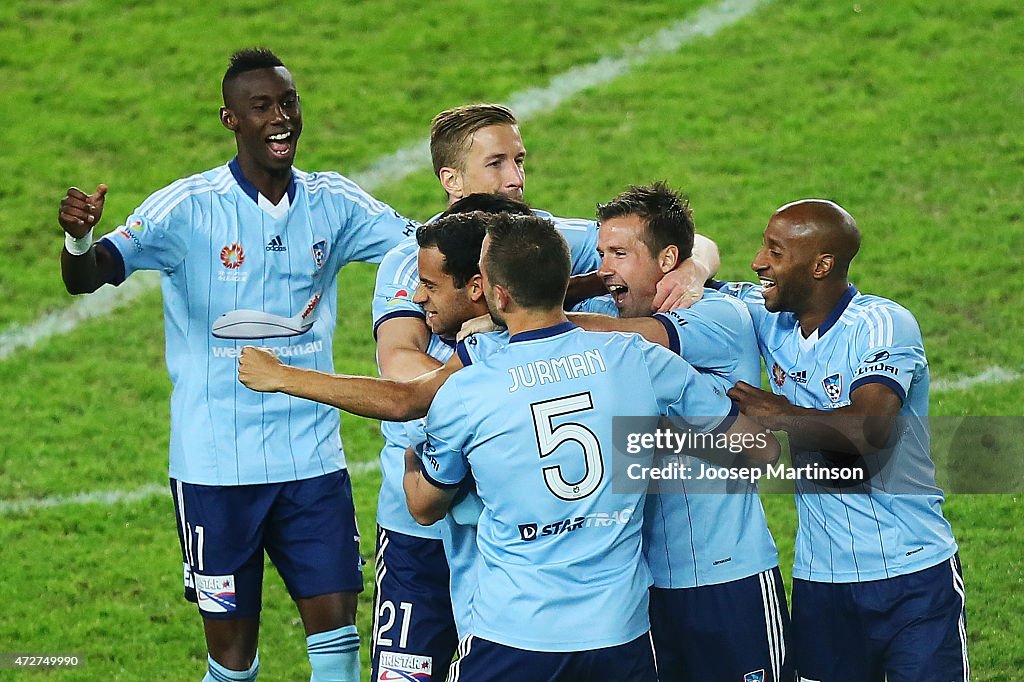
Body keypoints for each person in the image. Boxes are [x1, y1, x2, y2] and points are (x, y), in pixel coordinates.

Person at [58, 48, 417, 682]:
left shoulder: (334, 203)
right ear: (231, 119)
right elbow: (89, 276)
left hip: (312, 466)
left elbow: (428, 250)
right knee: (233, 660)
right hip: (216, 473)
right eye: (262, 108)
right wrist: (80, 239)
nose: (281, 118)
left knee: (338, 647)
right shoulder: (187, 208)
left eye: (288, 103)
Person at [402, 211, 779, 681]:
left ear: (497, 295)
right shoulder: (635, 359)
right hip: (619, 631)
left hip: (513, 631)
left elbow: (422, 505)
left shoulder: (468, 389)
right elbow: (757, 449)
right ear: (566, 282)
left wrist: (413, 446)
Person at [720, 200, 968, 681]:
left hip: (912, 575)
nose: (757, 262)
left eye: (775, 251)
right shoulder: (769, 313)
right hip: (822, 582)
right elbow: (698, 270)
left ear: (821, 265)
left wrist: (780, 412)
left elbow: (869, 431)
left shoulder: (883, 324)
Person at [567, 182, 792, 681]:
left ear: (668, 258)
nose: (605, 268)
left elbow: (644, 340)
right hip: (644, 588)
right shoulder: (608, 313)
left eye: (620, 254)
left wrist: (534, 323)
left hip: (729, 579)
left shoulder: (715, 314)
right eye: (602, 253)